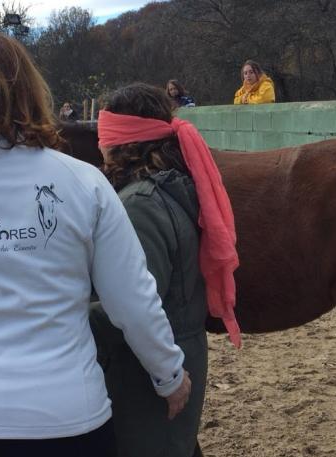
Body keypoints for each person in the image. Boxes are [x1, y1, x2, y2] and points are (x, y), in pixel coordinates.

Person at [0, 33, 191, 457]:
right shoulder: (83, 180)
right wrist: (169, 374)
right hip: (65, 414)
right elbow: (133, 300)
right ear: (29, 89)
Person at [91, 82, 242, 457]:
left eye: (104, 136)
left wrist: (61, 318)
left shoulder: (140, 204)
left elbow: (137, 303)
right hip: (177, 348)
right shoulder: (172, 186)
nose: (100, 146)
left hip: (148, 366)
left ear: (119, 140)